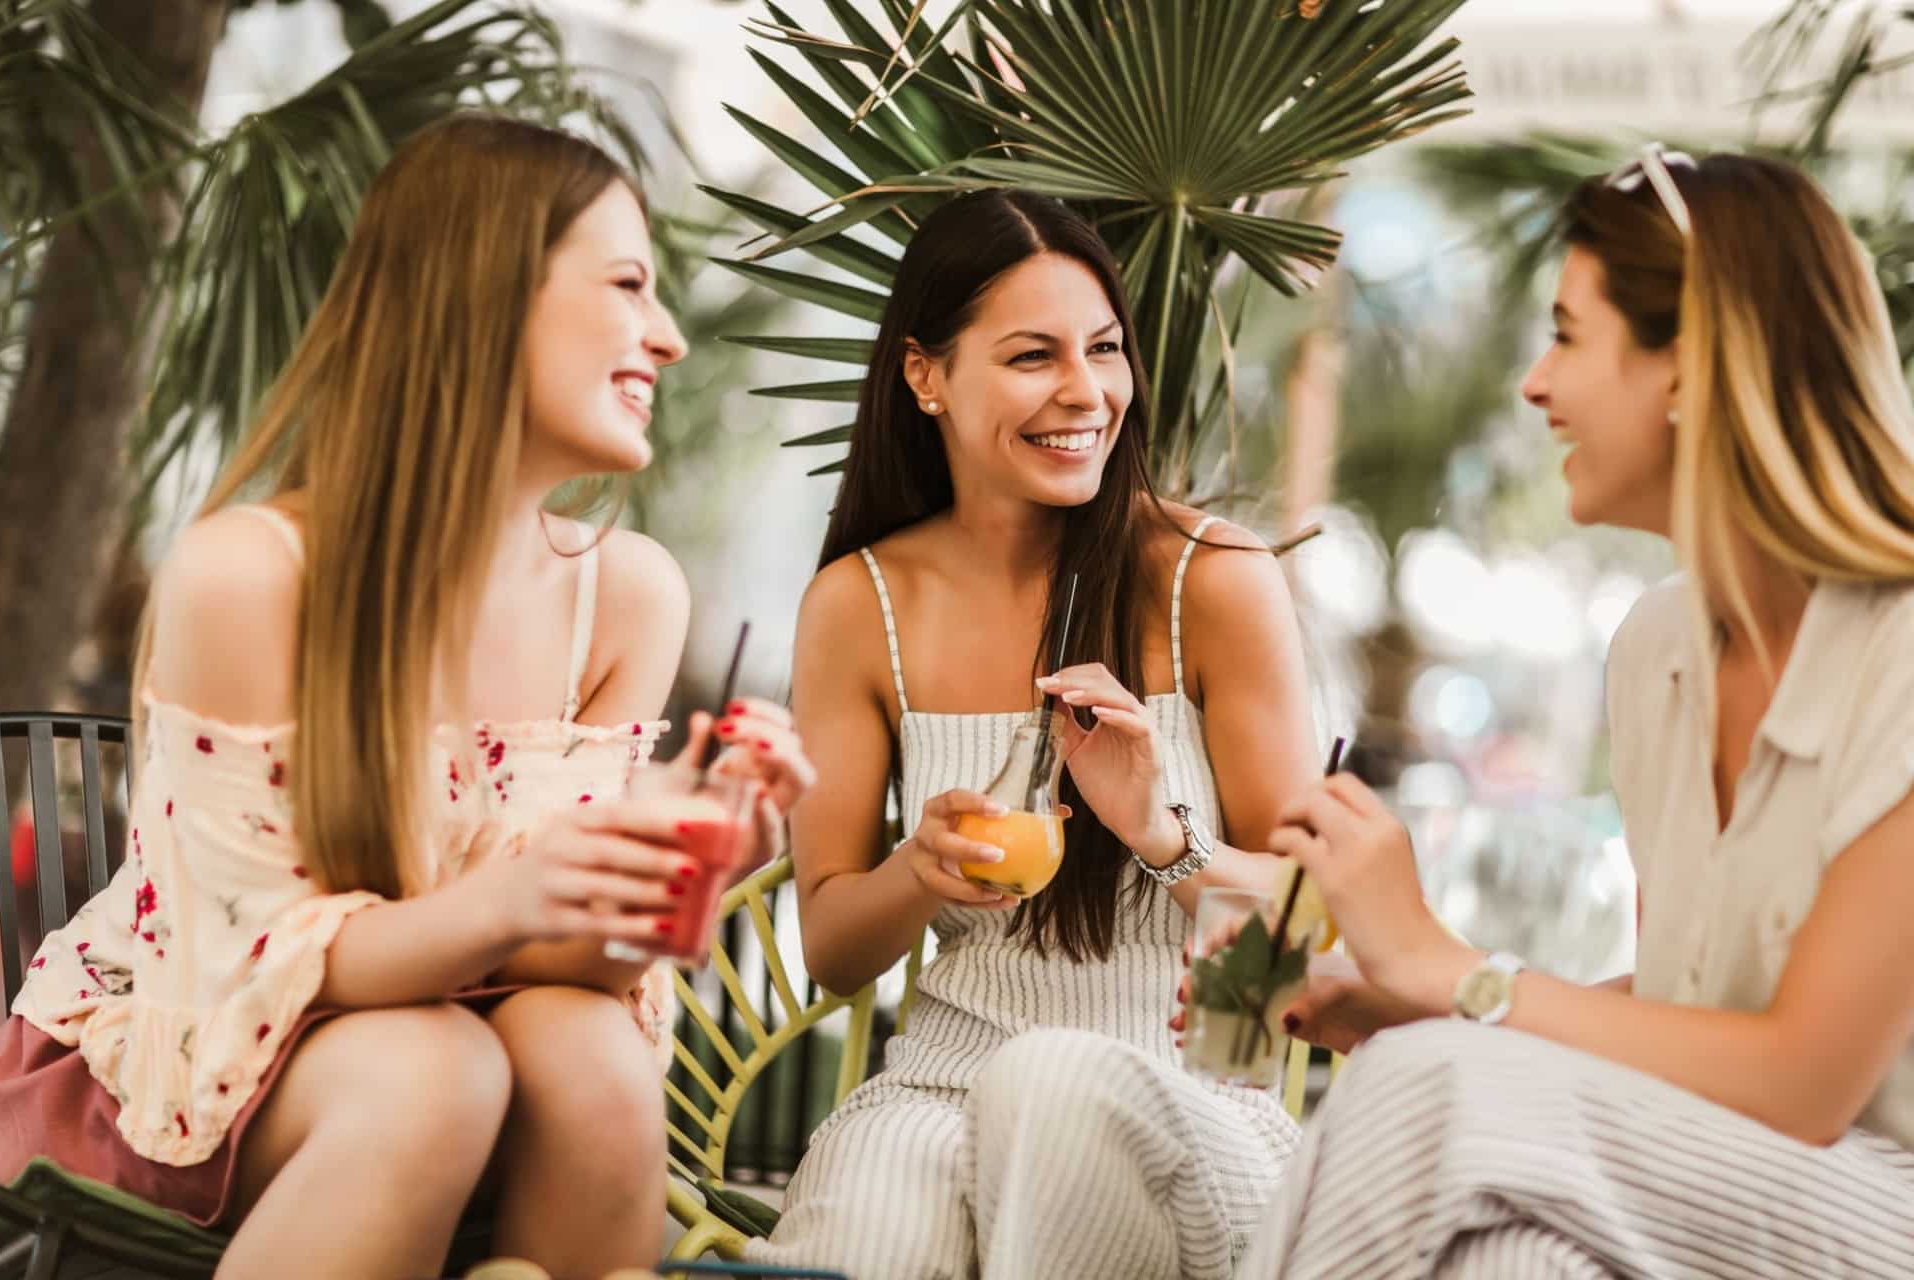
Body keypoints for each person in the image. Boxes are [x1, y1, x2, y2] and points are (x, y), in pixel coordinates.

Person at [0, 114, 813, 1280]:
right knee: (438, 1076)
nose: (668, 337)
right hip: (193, 1051)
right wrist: (525, 890)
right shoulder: (251, 574)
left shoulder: (627, 595)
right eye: (629, 283)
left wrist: (669, 873)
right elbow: (258, 962)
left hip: (453, 1033)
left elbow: (567, 970)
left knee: (592, 1059)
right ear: (480, 293)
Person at [1239, 147, 1914, 1278]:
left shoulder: (1900, 652)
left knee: (1431, 1090)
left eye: (1565, 333)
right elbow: (1683, 1001)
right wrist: (1408, 1001)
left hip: (1878, 1195)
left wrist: (1454, 973)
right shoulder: (1659, 651)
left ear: (1690, 365)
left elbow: (1802, 1079)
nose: (1533, 384)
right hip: (1728, 1170)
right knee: (1510, 1256)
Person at [746, 190, 1320, 1280]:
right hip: (940, 1087)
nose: (1086, 392)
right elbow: (831, 948)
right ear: (926, 375)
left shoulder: (1216, 583)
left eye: (1103, 348)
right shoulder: (859, 603)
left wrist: (1161, 830)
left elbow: (1305, 940)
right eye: (1031, 355)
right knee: (868, 1234)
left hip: (1197, 1098)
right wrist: (919, 868)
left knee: (1050, 1083)